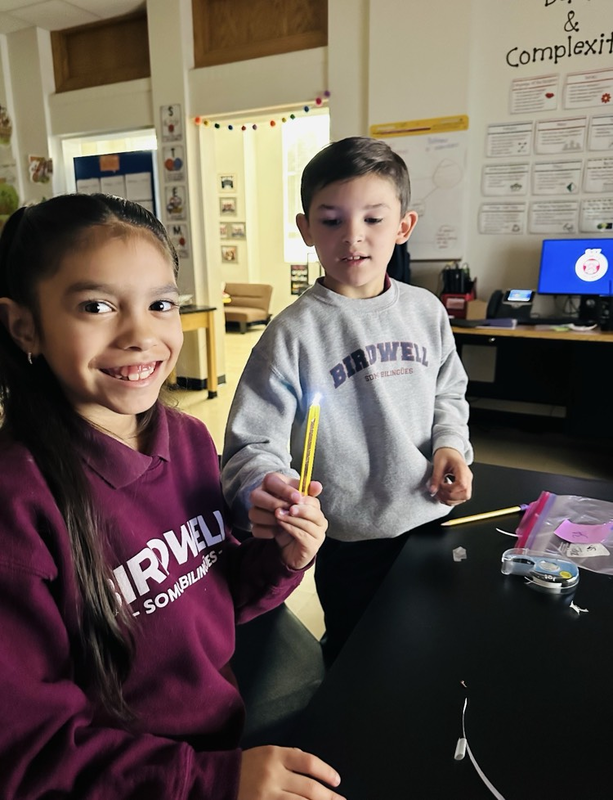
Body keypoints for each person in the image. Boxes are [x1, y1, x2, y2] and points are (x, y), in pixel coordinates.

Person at [0, 194, 344, 800]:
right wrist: (210, 781)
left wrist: (282, 556)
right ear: (25, 325)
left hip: (219, 745)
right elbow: (29, 754)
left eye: (161, 304)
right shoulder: (18, 504)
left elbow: (213, 592)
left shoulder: (185, 438)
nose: (141, 335)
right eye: (96, 306)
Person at [221, 136, 473, 666]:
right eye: (332, 220)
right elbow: (252, 444)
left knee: (431, 648)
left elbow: (448, 388)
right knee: (357, 659)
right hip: (348, 538)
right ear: (306, 229)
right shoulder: (293, 333)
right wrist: (266, 489)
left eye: (374, 220)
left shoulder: (427, 311)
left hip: (430, 517)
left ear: (404, 226)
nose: (353, 237)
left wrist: (451, 443)